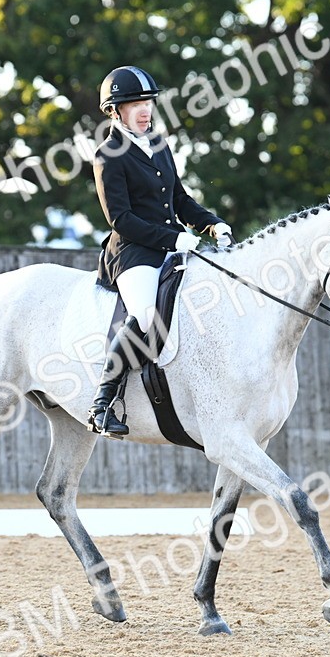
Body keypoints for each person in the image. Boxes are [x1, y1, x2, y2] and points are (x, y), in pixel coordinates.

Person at [87, 65, 233, 438]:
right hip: (133, 253)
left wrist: (212, 223)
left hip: (172, 247)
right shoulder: (108, 155)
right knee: (147, 314)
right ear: (115, 111)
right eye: (134, 103)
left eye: (148, 102)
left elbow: (180, 200)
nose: (144, 110)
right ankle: (102, 404)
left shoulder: (159, 144)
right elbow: (121, 219)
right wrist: (174, 240)